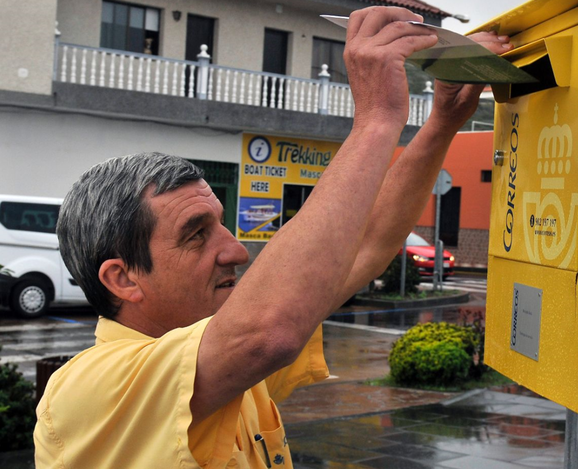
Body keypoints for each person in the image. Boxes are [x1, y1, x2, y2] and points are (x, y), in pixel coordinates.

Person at [34, 6, 513, 468]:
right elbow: (269, 333)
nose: (236, 250)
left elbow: (365, 247)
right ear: (122, 278)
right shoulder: (88, 388)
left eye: (220, 223)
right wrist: (376, 119)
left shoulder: (221, 366)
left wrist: (443, 121)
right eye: (196, 236)